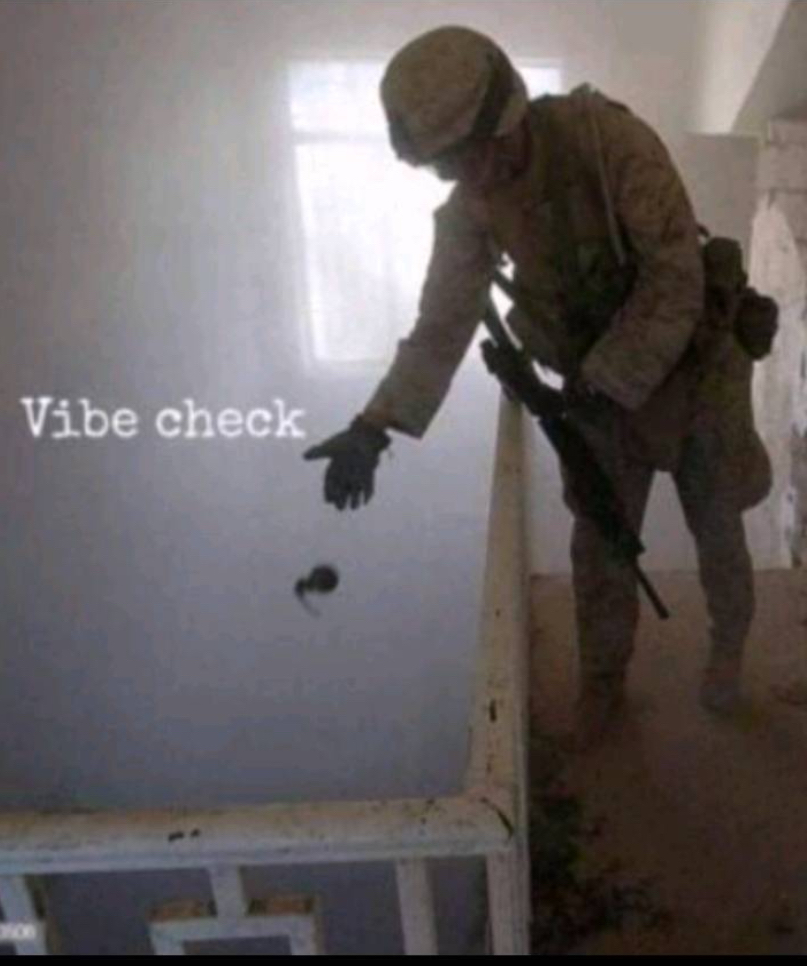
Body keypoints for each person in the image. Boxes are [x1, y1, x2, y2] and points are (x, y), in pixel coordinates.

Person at [304, 26, 772, 747]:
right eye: (444, 167)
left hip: (696, 367)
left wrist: (599, 386)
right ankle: (604, 683)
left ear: (506, 116)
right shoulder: (471, 208)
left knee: (717, 528)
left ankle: (728, 650)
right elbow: (442, 325)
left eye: (465, 156)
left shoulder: (611, 144)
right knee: (601, 547)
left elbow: (675, 280)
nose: (464, 177)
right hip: (599, 388)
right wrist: (375, 425)